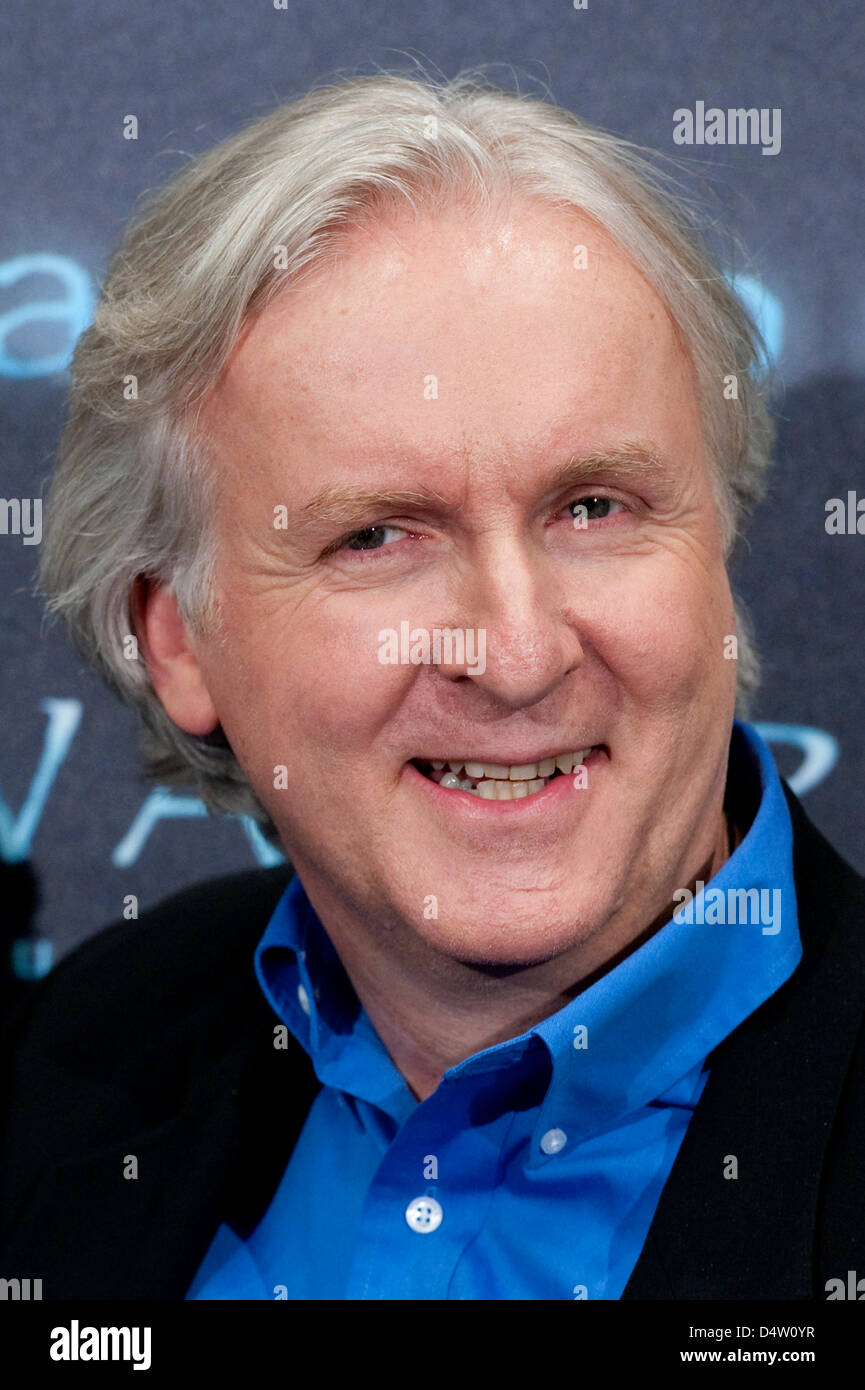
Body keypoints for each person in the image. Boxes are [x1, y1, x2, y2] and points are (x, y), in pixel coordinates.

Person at [2, 70, 863, 1301]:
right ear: (178, 637)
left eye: (593, 507)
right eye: (377, 537)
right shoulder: (82, 1051)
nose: (517, 654)